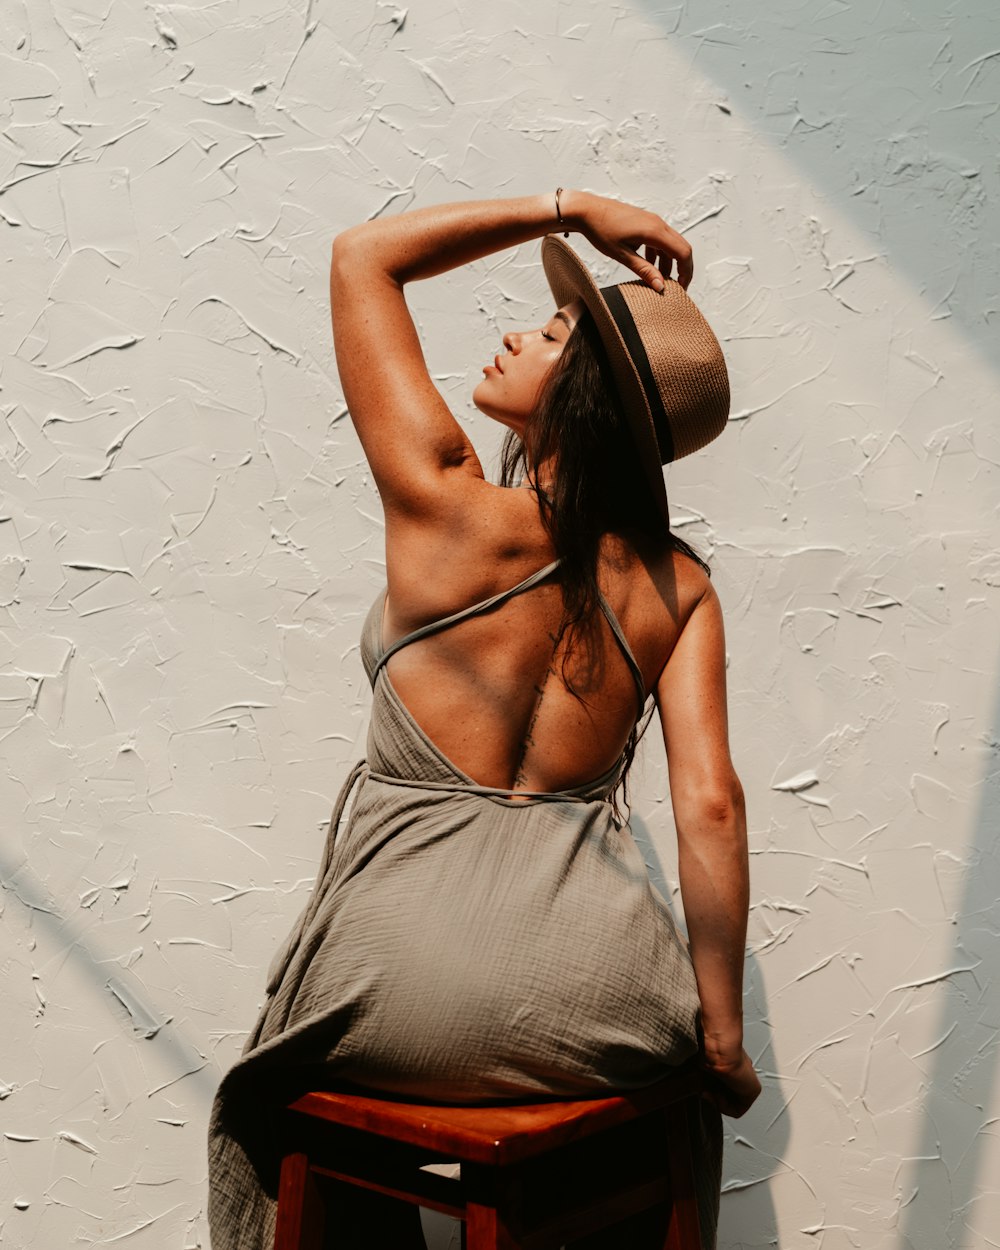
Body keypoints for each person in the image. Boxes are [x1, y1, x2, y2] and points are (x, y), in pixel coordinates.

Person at [207, 188, 760, 1249]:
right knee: (649, 1122)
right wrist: (722, 1036)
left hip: (389, 992)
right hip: (601, 1007)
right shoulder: (679, 585)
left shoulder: (444, 502)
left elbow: (361, 253)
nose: (516, 332)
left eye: (552, 333)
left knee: (281, 1103)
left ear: (585, 392)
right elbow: (710, 806)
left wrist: (565, 204)